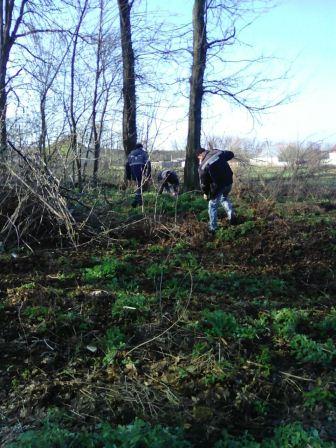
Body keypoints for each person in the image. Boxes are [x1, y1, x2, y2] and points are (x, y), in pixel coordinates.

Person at [197, 147, 236, 233]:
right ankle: (231, 215)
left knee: (212, 205)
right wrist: (220, 152)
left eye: (198, 157)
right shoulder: (217, 152)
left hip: (218, 186)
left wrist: (206, 193)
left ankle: (213, 228)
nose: (199, 159)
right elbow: (231, 154)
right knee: (224, 198)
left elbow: (204, 183)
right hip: (229, 182)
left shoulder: (203, 166)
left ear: (201, 154)